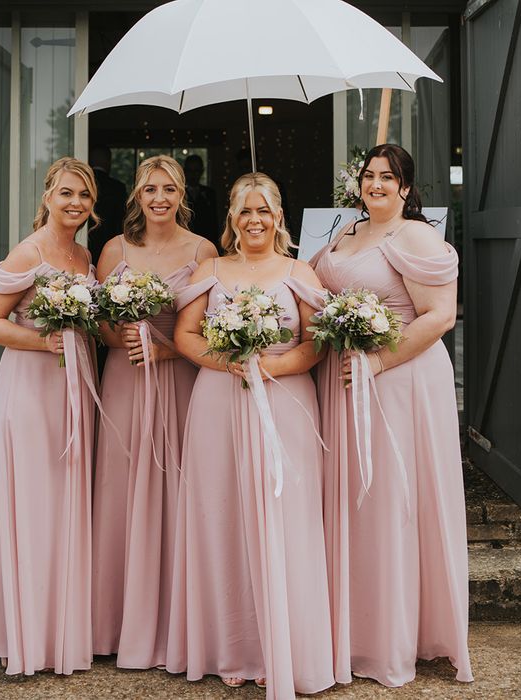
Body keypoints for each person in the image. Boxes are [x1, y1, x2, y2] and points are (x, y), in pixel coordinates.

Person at [167, 173, 334, 699]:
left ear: (279, 216)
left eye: (264, 210)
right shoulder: (211, 269)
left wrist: (274, 367)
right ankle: (230, 645)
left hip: (285, 404)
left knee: (284, 517)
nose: (255, 220)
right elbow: (184, 335)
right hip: (218, 401)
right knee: (221, 515)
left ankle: (276, 645)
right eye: (245, 212)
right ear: (232, 219)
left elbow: (315, 344)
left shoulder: (299, 271)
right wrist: (229, 361)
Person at [311, 143, 473, 687]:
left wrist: (379, 360)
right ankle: (353, 631)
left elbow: (440, 315)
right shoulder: (346, 233)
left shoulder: (417, 236)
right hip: (344, 380)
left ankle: (397, 636)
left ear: (406, 186)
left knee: (393, 502)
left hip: (399, 382)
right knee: (356, 503)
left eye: (388, 176)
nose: (376, 184)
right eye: (369, 175)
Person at [0, 157, 100, 676]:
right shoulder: (28, 253)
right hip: (27, 394)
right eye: (67, 193)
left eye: (85, 197)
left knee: (64, 513)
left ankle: (62, 638)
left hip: (71, 393)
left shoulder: (84, 255)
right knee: (32, 514)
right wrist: (45, 340)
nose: (75, 204)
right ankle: (27, 643)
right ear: (48, 195)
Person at [91, 155, 217, 669]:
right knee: (121, 492)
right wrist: (116, 335)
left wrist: (165, 348)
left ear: (181, 194)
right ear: (136, 197)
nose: (159, 198)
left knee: (180, 488)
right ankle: (116, 625)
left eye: (168, 189)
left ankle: (177, 626)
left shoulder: (204, 250)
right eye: (149, 190)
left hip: (180, 378)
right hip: (124, 379)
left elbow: (211, 325)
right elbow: (96, 322)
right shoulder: (114, 249)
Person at [87, 145, 127, 267]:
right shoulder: (117, 187)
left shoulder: (86, 183)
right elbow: (122, 217)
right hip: (111, 238)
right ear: (108, 162)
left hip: (86, 237)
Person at [183, 154, 220, 248]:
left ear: (202, 171)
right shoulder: (179, 193)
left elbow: (214, 221)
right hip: (185, 241)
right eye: (190, 171)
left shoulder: (209, 193)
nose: (193, 174)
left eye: (196, 171)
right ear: (185, 171)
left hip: (206, 241)